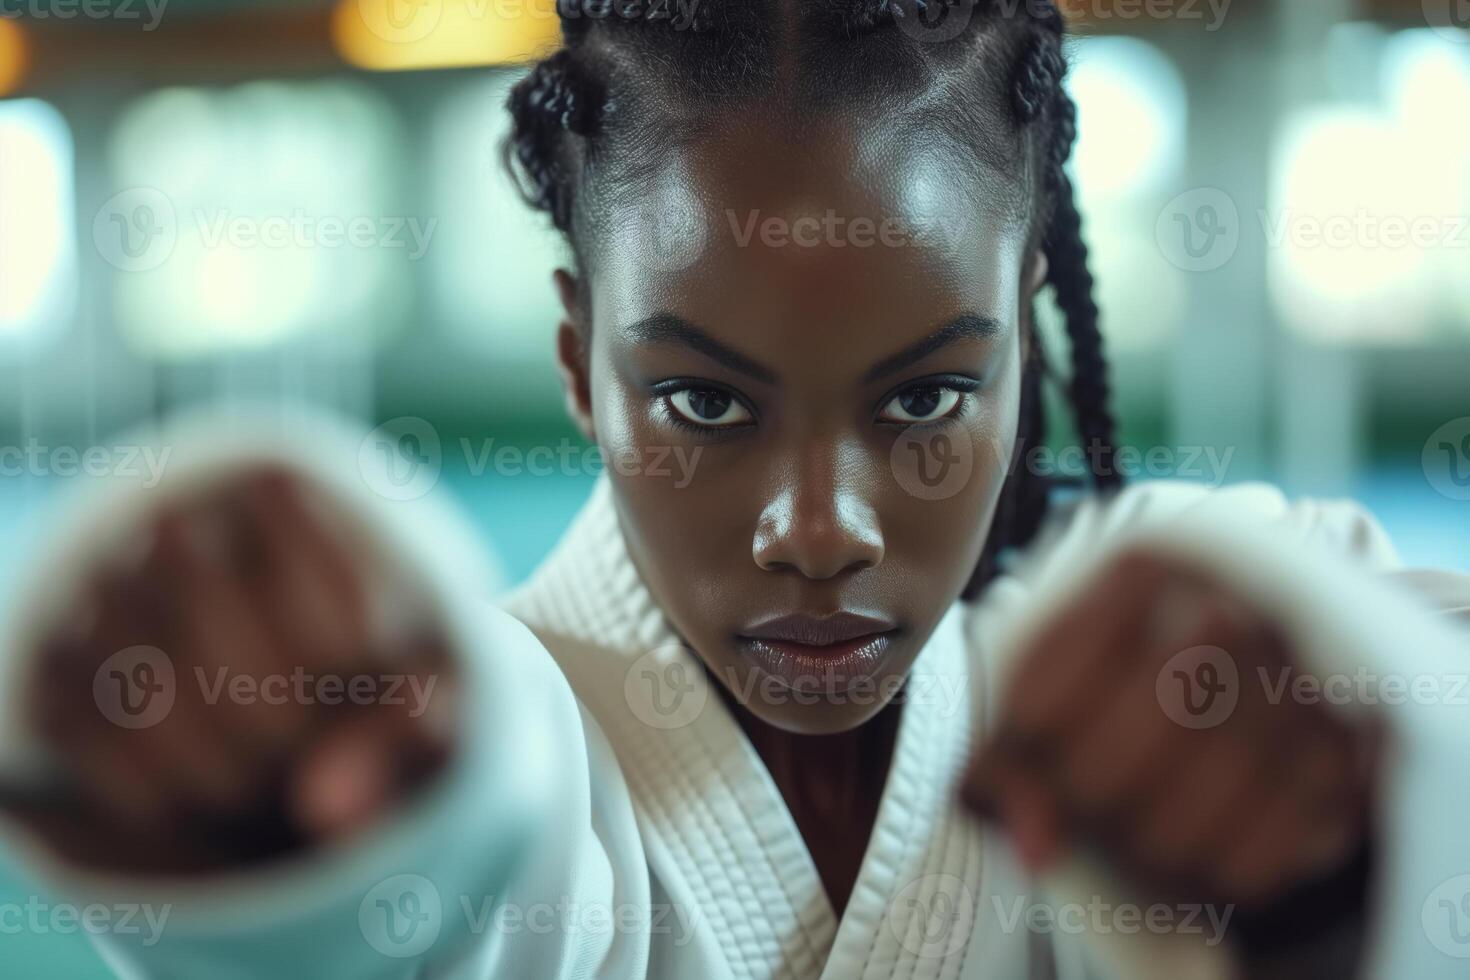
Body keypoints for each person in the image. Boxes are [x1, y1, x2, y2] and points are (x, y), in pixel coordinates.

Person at [1, 2, 1467, 978]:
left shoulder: (1223, 621)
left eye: (925, 399)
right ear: (580, 362)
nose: (818, 530)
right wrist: (319, 835)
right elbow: (488, 898)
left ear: (1024, 333)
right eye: (703, 402)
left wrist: (1350, 835)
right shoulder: (500, 735)